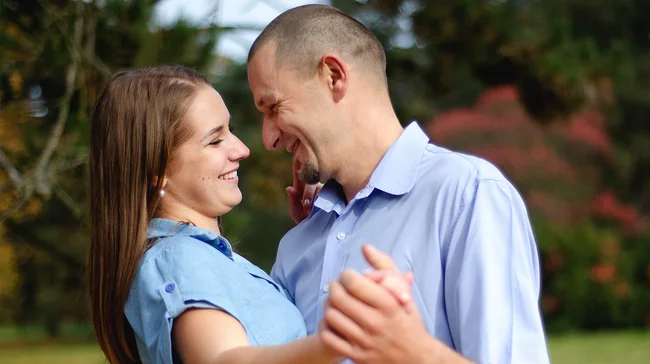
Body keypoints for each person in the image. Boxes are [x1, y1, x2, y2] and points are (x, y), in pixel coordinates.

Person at [247, 4, 551, 364]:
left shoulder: (468, 195)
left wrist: (414, 352)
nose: (268, 139)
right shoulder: (296, 247)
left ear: (333, 75)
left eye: (273, 107)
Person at [86, 65, 411, 364]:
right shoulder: (177, 259)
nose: (242, 149)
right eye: (215, 140)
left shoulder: (205, 258)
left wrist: (314, 232)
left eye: (231, 131)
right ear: (158, 169)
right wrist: (338, 340)